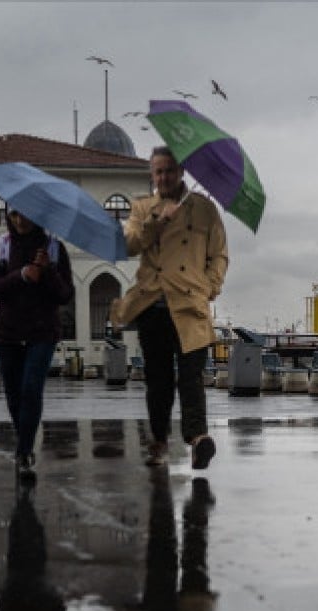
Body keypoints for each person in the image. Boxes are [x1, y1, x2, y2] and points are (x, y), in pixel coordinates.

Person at [111, 146, 228, 469]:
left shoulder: (204, 209)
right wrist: (156, 222)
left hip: (190, 303)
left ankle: (197, 438)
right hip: (154, 304)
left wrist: (210, 286)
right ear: (152, 175)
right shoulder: (142, 207)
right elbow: (130, 245)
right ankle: (159, 439)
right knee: (158, 380)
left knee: (192, 377)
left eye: (169, 170)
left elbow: (219, 254)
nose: (163, 177)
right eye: (158, 171)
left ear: (181, 173)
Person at [0, 207, 75, 479]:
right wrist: (22, 274)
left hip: (42, 332)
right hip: (7, 332)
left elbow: (65, 295)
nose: (21, 220)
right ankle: (24, 442)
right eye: (14, 214)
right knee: (14, 394)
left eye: (26, 213)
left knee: (32, 388)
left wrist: (47, 272)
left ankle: (24, 450)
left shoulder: (55, 249)